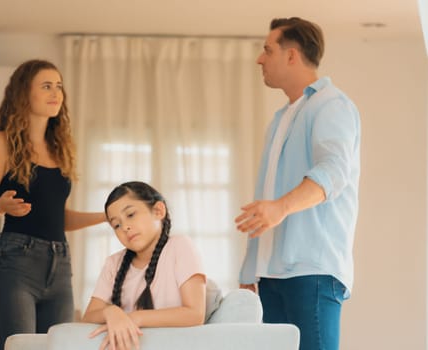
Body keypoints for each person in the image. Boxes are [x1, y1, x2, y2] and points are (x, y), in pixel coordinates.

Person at [235, 17, 361, 350]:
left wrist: (280, 207)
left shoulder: (331, 105)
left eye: (267, 50)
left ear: (292, 55)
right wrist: (251, 270)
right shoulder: (281, 119)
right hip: (272, 277)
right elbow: (268, 201)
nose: (260, 59)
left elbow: (334, 171)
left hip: (312, 272)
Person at [0, 59, 106, 350]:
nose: (56, 93)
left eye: (58, 86)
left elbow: (57, 217)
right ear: (24, 94)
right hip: (16, 265)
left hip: (60, 265)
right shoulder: (1, 143)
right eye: (46, 86)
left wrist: (105, 216)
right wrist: (0, 206)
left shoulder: (60, 149)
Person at [82, 181, 207, 350]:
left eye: (131, 214)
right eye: (116, 225)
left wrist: (133, 318)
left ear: (158, 211)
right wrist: (110, 312)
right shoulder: (113, 263)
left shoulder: (180, 246)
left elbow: (195, 314)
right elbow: (88, 317)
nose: (125, 227)